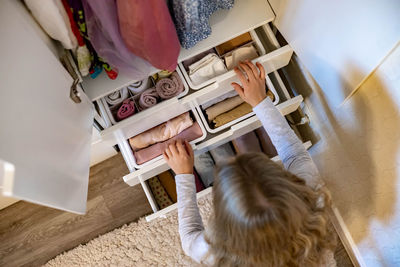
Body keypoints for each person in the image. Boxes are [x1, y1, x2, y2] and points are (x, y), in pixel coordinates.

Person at [163, 61, 337, 266]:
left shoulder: (216, 248)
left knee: (205, 161)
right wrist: (261, 102)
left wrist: (183, 176)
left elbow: (189, 238)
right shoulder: (312, 210)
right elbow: (295, 155)